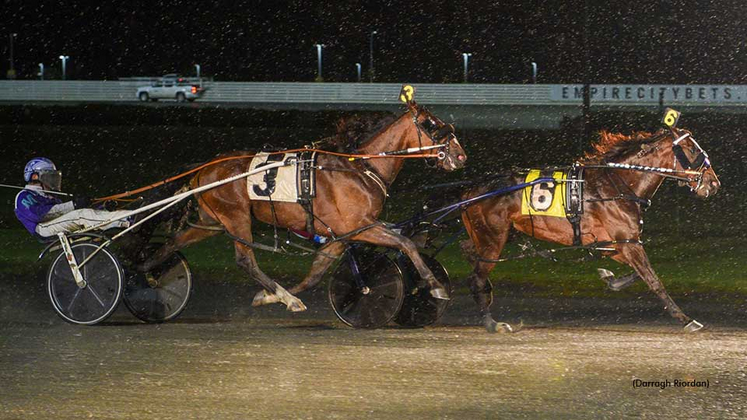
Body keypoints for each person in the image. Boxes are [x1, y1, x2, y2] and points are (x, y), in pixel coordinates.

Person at [14, 157, 132, 239]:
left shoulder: (51, 196)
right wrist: (74, 204)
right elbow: (40, 215)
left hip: (53, 224)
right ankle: (126, 219)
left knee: (82, 213)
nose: (53, 181)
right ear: (35, 176)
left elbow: (72, 213)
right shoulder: (24, 195)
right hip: (43, 228)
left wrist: (103, 208)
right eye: (49, 177)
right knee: (80, 215)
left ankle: (127, 215)